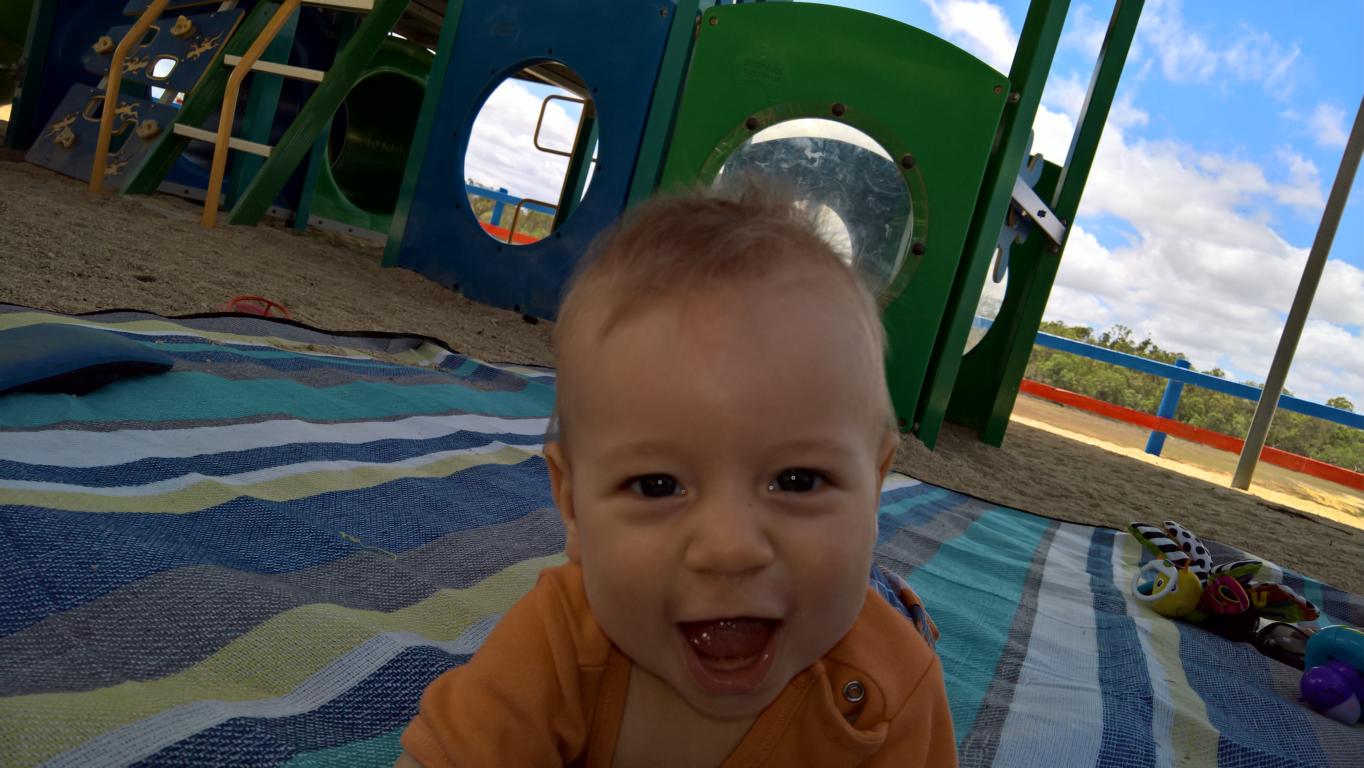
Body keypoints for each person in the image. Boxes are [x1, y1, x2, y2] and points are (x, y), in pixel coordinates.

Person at [398, 181, 955, 767]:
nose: (729, 548)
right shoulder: (560, 639)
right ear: (573, 507)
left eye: (798, 481)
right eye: (657, 486)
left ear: (874, 488)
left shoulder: (889, 695)